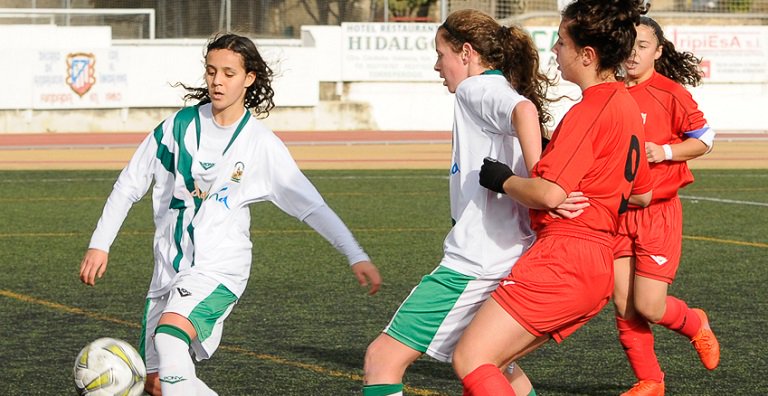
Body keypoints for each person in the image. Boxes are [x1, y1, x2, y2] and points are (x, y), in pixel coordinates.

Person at [78, 33, 382, 396]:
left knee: (170, 338)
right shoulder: (176, 129)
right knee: (158, 383)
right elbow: (129, 185)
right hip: (167, 270)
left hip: (218, 268)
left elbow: (311, 206)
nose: (217, 81)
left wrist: (355, 253)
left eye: (228, 73)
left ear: (249, 78)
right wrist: (100, 243)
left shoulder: (260, 144)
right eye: (211, 71)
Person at [450, 1, 654, 394]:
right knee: (498, 361)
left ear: (587, 55)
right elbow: (642, 194)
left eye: (561, 43)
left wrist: (503, 179)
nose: (555, 52)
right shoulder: (627, 104)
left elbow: (548, 193)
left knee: (471, 358)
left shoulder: (590, 109)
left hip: (564, 257)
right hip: (597, 261)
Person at [362, 9, 561, 396]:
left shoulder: (475, 89)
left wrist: (540, 176)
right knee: (496, 368)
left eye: (441, 54)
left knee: (382, 360)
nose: (437, 66)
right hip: (508, 256)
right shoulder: (495, 87)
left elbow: (524, 110)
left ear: (466, 52)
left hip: (473, 263)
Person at [612, 16, 719, 396]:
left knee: (650, 307)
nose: (633, 53)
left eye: (642, 46)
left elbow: (706, 138)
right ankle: (650, 381)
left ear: (658, 51)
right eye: (629, 45)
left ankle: (695, 324)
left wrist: (667, 151)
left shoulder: (670, 93)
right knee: (623, 305)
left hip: (657, 214)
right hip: (618, 213)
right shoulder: (610, 92)